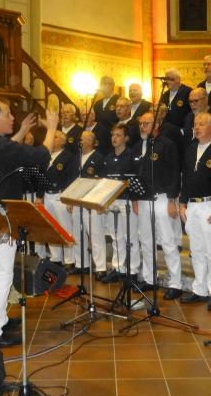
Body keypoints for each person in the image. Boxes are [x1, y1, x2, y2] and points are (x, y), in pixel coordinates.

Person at [0, 99, 59, 347]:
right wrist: (52, 127)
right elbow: (41, 157)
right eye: (8, 114)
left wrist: (21, 132)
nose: (12, 118)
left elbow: (7, 150)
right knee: (1, 273)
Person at [179, 112, 211, 311]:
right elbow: (186, 177)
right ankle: (199, 288)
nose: (197, 127)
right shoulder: (191, 148)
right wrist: (182, 203)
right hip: (192, 205)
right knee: (196, 250)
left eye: (201, 124)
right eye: (195, 124)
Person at [133, 112, 183, 299]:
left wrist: (171, 200)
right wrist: (135, 199)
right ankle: (149, 278)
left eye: (146, 123)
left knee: (168, 242)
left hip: (162, 198)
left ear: (157, 125)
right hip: (143, 199)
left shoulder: (166, 144)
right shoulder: (138, 146)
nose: (142, 126)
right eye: (141, 123)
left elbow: (174, 172)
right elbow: (135, 173)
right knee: (146, 241)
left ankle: (175, 283)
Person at [100, 123, 140, 283]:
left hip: (127, 201)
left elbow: (136, 180)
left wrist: (135, 200)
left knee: (130, 237)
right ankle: (118, 268)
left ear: (126, 138)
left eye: (118, 135)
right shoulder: (108, 157)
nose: (114, 138)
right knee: (115, 236)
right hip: (112, 201)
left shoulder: (132, 156)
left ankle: (133, 271)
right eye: (112, 135)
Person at [38, 130, 79, 268]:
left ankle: (69, 259)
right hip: (47, 195)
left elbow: (71, 178)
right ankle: (56, 257)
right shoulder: (46, 155)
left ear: (62, 141)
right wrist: (39, 196)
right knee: (51, 227)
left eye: (55, 137)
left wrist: (69, 198)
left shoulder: (68, 156)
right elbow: (41, 177)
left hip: (61, 195)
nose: (52, 139)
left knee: (65, 227)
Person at [73, 129, 107, 276]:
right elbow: (72, 179)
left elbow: (103, 181)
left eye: (83, 138)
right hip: (76, 199)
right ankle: (82, 264)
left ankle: (100, 267)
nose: (80, 140)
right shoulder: (77, 157)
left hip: (92, 200)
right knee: (77, 233)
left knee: (95, 234)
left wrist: (99, 202)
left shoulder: (98, 157)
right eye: (80, 138)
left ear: (91, 141)